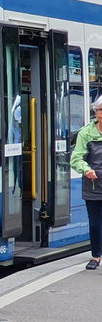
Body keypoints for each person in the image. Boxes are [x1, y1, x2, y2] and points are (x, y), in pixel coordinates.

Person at [70, 96, 102, 269]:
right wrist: (86, 169)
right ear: (95, 112)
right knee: (95, 223)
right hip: (93, 185)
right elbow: (75, 158)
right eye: (99, 110)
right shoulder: (86, 132)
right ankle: (96, 256)